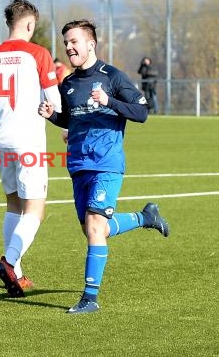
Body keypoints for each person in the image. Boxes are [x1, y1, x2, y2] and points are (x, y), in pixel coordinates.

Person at [38, 20, 170, 314]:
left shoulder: (112, 77)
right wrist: (52, 116)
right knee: (93, 228)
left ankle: (89, 299)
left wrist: (109, 100)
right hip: (78, 165)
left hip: (107, 163)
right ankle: (145, 217)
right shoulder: (69, 85)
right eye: (66, 44)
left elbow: (141, 112)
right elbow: (72, 119)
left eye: (74, 42)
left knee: (95, 226)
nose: (69, 47)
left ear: (90, 44)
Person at [0, 0, 61, 298]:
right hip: (29, 141)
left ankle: (17, 273)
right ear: (30, 24)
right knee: (36, 208)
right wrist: (66, 128)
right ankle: (9, 262)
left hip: (1, 140)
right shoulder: (38, 53)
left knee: (13, 204)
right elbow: (54, 99)